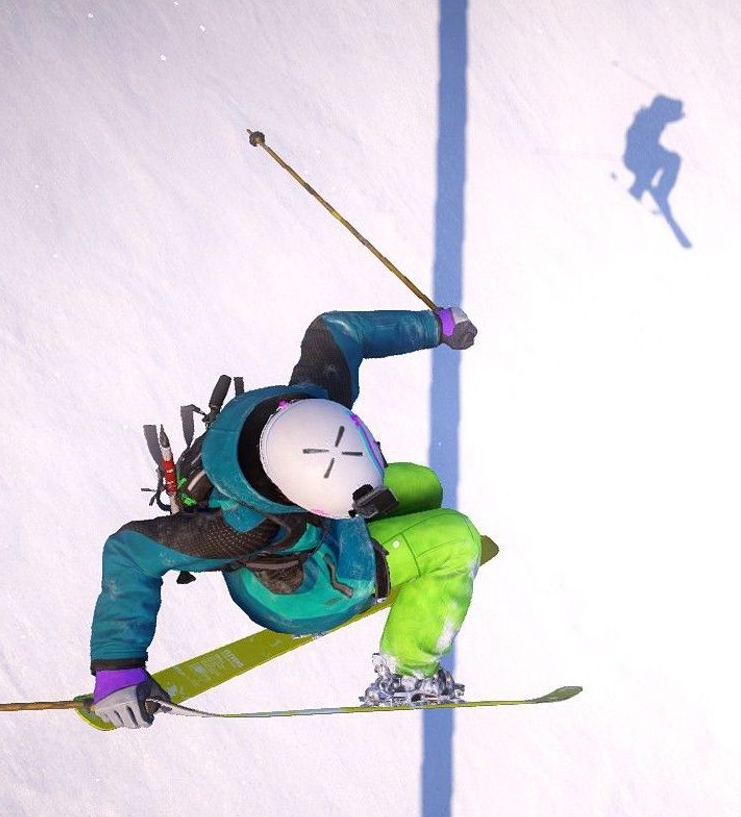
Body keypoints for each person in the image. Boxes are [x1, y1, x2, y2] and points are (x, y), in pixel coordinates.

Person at [88, 305, 481, 729]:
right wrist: (117, 667)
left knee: (423, 485)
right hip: (305, 593)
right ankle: (408, 674)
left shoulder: (306, 405)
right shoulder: (245, 528)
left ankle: (396, 554)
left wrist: (434, 326)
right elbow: (130, 553)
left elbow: (338, 330)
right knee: (457, 539)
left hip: (321, 531)